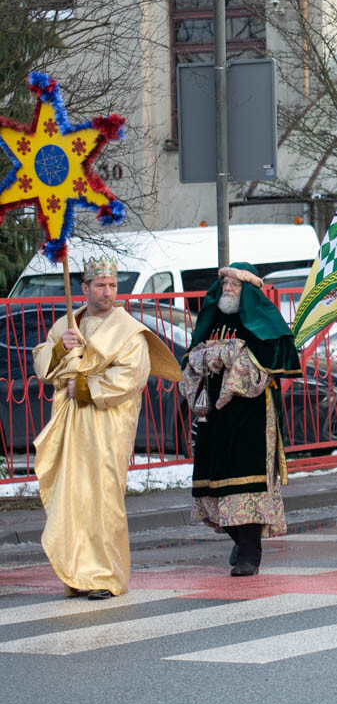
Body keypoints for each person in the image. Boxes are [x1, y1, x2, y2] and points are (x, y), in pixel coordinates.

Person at [32, 256, 181, 599]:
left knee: (103, 497)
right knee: (72, 497)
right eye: (100, 285)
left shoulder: (128, 330)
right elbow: (42, 362)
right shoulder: (68, 324)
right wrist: (60, 348)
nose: (108, 292)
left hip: (107, 424)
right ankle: (77, 573)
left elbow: (132, 375)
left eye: (112, 285)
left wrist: (85, 386)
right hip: (70, 424)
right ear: (85, 288)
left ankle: (105, 576)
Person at [184, 263, 302, 576]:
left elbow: (270, 357)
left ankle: (250, 553)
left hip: (250, 414)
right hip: (213, 417)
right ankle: (239, 539)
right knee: (213, 482)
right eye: (225, 283)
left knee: (246, 481)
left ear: (247, 289)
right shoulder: (212, 319)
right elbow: (192, 357)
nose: (228, 289)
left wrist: (230, 357)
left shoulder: (262, 321)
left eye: (235, 285)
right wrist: (209, 356)